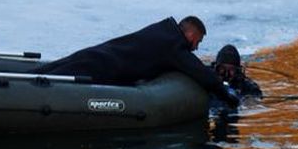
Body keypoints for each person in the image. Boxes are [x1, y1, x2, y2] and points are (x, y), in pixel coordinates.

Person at [33, 15, 239, 108]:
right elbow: (202, 75)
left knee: (47, 72)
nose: (196, 47)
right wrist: (227, 96)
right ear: (190, 34)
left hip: (96, 55)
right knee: (44, 82)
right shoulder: (173, 46)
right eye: (197, 41)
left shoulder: (164, 31)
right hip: (102, 67)